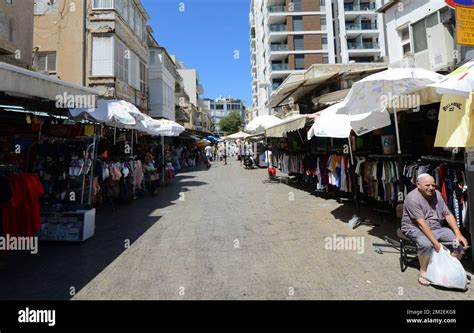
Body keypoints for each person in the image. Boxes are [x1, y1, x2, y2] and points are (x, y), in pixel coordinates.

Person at [401, 173, 469, 286]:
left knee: (459, 243)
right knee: (426, 244)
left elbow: (447, 214)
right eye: (427, 185)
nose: (431, 188)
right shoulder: (412, 198)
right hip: (414, 228)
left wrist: (458, 234)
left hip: (435, 227)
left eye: (433, 185)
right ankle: (423, 272)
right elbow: (421, 224)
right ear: (418, 185)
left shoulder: (437, 194)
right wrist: (435, 243)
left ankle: (449, 270)